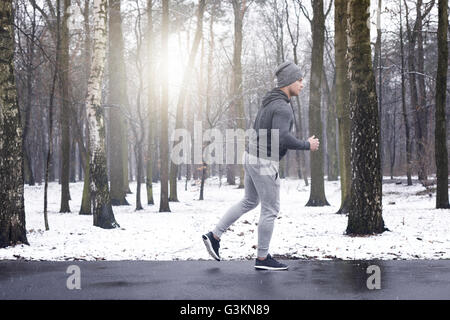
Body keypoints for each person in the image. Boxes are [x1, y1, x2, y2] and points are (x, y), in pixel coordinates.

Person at [202, 61, 320, 270]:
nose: (302, 84)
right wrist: (306, 145)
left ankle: (214, 235)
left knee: (249, 201)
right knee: (270, 209)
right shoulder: (282, 107)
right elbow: (282, 137)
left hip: (251, 156)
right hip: (265, 161)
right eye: (299, 80)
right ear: (289, 82)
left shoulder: (268, 102)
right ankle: (263, 259)